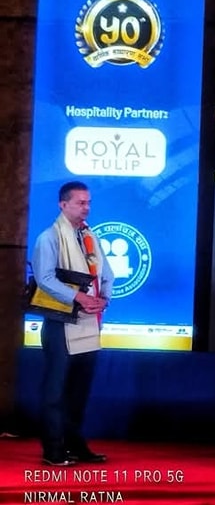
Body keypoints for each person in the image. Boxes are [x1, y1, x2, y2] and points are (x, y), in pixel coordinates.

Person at [33, 181, 114, 466]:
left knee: (79, 391)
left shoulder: (91, 236)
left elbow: (107, 273)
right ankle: (53, 449)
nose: (86, 207)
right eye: (80, 202)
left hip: (88, 322)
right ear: (63, 204)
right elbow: (44, 278)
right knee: (55, 391)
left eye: (88, 202)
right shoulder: (49, 237)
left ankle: (75, 443)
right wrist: (79, 297)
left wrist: (104, 298)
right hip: (60, 323)